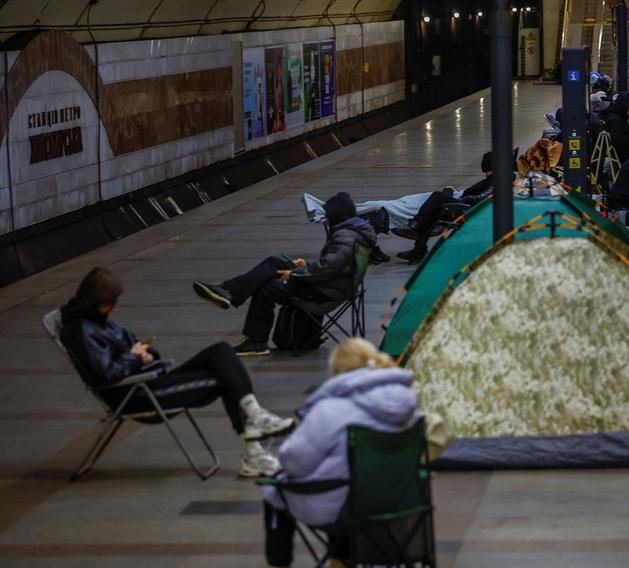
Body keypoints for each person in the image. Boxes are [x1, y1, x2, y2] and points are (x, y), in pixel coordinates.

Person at [60, 267, 294, 477]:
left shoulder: (98, 320)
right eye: (111, 303)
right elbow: (106, 373)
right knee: (226, 379)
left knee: (221, 352)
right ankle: (254, 448)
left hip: (149, 379)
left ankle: (255, 417)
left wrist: (146, 355)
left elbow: (132, 349)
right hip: (136, 394)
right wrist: (135, 357)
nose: (113, 308)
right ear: (98, 302)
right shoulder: (80, 330)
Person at [262, 338, 421, 567]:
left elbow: (294, 462)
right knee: (345, 479)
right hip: (399, 503)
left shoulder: (331, 410)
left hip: (345, 508)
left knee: (274, 488)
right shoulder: (407, 404)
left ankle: (280, 562)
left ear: (337, 372)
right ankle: (341, 559)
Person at [192, 192, 377, 355]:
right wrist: (305, 266)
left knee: (267, 288)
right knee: (274, 263)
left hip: (324, 291)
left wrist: (296, 274)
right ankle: (228, 291)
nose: (325, 220)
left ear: (337, 216)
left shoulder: (344, 236)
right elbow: (335, 266)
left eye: (327, 216)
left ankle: (255, 341)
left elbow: (329, 267)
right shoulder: (352, 231)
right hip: (332, 285)